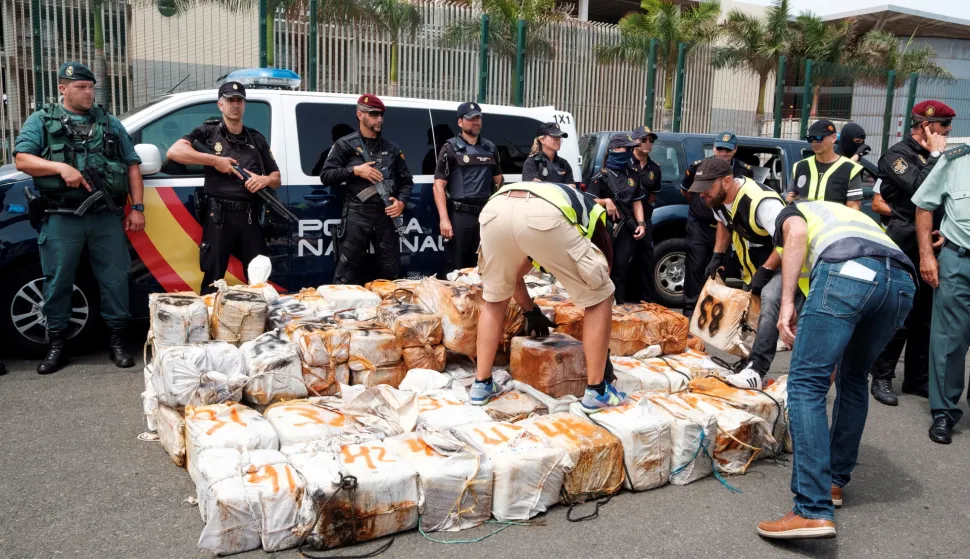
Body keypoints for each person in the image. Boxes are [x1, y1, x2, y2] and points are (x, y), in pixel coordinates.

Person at [758, 200, 915, 539]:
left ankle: (811, 509)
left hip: (847, 272)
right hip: (901, 283)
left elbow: (796, 233)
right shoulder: (846, 215)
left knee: (805, 385)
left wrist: (786, 304)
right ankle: (832, 484)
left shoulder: (793, 212)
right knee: (854, 378)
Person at [14, 62, 145, 374]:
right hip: (62, 216)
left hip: (105, 217)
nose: (89, 93)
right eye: (81, 87)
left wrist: (137, 208)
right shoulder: (42, 120)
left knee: (114, 280)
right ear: (63, 88)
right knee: (58, 281)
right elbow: (22, 159)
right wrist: (61, 168)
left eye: (91, 87)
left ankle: (117, 341)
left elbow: (132, 165)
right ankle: (57, 344)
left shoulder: (109, 123)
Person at [470, 181, 625, 413]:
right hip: (543, 215)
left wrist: (530, 309)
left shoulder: (558, 208)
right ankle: (597, 391)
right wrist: (600, 353)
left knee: (494, 298)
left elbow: (513, 278)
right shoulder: (593, 217)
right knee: (601, 295)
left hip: (495, 210)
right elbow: (602, 275)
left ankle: (481, 385)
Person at [868, 100, 954, 406]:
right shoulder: (897, 155)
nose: (947, 132)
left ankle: (917, 379)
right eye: (944, 127)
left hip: (933, 239)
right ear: (928, 126)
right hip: (904, 240)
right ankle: (881, 377)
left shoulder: (938, 154)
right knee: (900, 313)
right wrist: (935, 155)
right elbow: (920, 188)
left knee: (926, 317)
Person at [688, 158, 796, 389]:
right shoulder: (717, 199)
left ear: (726, 181)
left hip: (787, 262)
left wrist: (766, 270)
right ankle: (748, 361)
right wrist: (717, 255)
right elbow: (723, 224)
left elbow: (790, 240)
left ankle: (757, 368)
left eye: (707, 189)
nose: (702, 195)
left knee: (769, 301)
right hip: (756, 265)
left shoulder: (762, 202)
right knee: (750, 315)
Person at [167, 81, 281, 294]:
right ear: (220, 104)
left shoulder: (256, 138)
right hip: (218, 216)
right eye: (230, 101)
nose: (235, 105)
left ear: (244, 105)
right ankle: (210, 322)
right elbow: (174, 152)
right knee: (213, 275)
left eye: (239, 101)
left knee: (258, 277)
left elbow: (276, 177)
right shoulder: (208, 132)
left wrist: (263, 180)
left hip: (250, 217)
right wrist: (214, 161)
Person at [318, 94, 414, 284]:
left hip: (386, 217)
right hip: (357, 215)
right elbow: (326, 175)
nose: (379, 119)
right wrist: (355, 170)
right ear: (360, 114)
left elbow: (406, 182)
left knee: (391, 273)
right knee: (346, 273)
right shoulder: (345, 145)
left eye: (381, 115)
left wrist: (401, 202)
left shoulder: (392, 148)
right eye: (373, 115)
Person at [912, 143, 970, 444]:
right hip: (959, 261)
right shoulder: (957, 160)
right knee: (948, 339)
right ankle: (944, 411)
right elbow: (925, 206)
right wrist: (926, 256)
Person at [681, 131, 753, 316]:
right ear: (714, 148)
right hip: (700, 225)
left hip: (727, 228)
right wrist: (702, 206)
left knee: (719, 269)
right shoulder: (699, 167)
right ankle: (690, 310)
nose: (723, 153)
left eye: (727, 150)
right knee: (695, 267)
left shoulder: (744, 170)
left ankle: (711, 310)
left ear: (735, 150)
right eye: (720, 149)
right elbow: (686, 192)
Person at [433, 102, 504, 273]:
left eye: (478, 118)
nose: (476, 122)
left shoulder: (490, 148)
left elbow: (499, 182)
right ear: (460, 122)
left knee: (483, 265)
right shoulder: (450, 148)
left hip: (485, 215)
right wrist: (444, 219)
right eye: (471, 119)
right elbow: (438, 186)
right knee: (456, 267)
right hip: (460, 216)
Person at [587, 133, 647, 303]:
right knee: (602, 270)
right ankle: (600, 307)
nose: (629, 152)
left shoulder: (633, 174)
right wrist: (606, 202)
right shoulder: (602, 175)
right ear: (614, 150)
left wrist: (641, 224)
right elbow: (588, 201)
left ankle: (619, 307)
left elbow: (637, 202)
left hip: (626, 229)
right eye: (625, 148)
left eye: (630, 149)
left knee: (621, 271)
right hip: (604, 229)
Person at [789, 120, 863, 210]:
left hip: (835, 223)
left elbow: (853, 208)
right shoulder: (799, 166)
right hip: (804, 222)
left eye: (819, 138)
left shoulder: (850, 168)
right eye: (811, 139)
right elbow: (790, 199)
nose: (815, 143)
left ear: (833, 138)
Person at [629, 126, 661, 303]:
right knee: (624, 257)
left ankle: (647, 298)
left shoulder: (654, 168)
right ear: (635, 141)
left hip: (645, 215)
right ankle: (624, 295)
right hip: (624, 215)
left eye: (651, 140)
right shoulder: (625, 162)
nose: (648, 143)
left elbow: (653, 194)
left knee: (646, 256)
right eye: (644, 139)